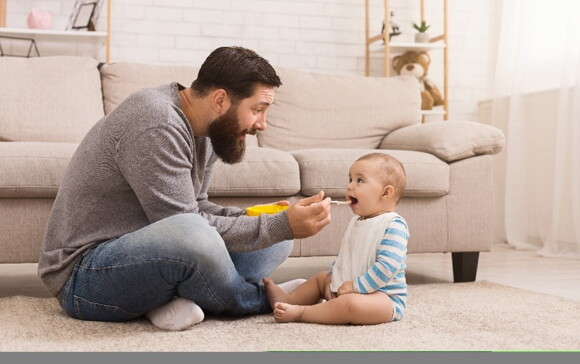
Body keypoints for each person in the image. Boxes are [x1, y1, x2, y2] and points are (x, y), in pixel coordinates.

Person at [37, 46, 332, 331]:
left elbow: (197, 206)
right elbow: (186, 228)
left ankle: (166, 301)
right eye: (257, 109)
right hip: (84, 276)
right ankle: (260, 300)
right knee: (202, 234)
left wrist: (262, 218)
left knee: (278, 238)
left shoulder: (209, 129)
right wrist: (279, 225)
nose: (262, 124)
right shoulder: (157, 122)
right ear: (220, 100)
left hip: (152, 254)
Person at [264, 152, 409, 325]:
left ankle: (303, 312)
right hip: (349, 286)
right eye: (350, 179)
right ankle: (289, 299)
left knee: (350, 305)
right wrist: (333, 278)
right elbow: (344, 258)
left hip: (383, 298)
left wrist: (355, 287)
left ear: (385, 193)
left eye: (359, 180)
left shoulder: (393, 225)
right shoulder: (356, 222)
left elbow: (387, 267)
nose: (349, 186)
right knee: (321, 278)